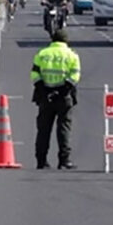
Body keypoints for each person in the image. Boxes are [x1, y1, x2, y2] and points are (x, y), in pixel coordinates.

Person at [31, 29, 81, 170]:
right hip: (64, 97)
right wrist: (60, 91)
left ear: (52, 40)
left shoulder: (42, 54)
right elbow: (74, 77)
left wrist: (45, 90)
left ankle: (41, 160)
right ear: (66, 41)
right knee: (64, 128)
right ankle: (64, 160)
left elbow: (35, 74)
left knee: (43, 129)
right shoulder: (72, 55)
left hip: (45, 96)